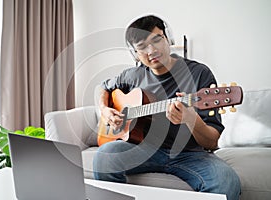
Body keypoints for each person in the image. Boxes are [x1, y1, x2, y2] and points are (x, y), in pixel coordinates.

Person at [93, 14, 241, 200]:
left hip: (190, 155)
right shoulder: (132, 76)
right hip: (143, 150)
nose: (152, 50)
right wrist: (104, 110)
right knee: (104, 156)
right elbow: (103, 87)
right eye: (142, 47)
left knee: (226, 182)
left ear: (167, 38)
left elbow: (212, 142)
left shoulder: (198, 73)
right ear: (135, 54)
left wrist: (190, 119)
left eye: (157, 40)